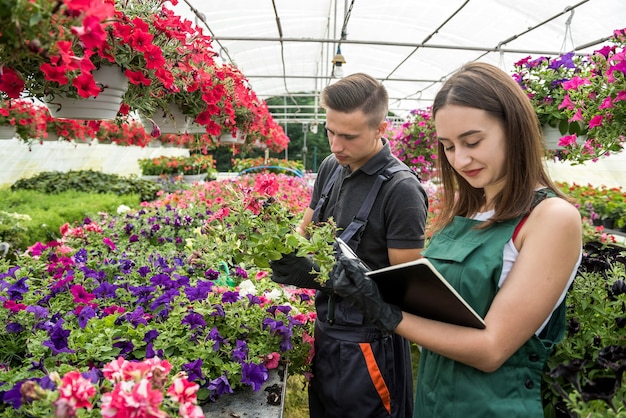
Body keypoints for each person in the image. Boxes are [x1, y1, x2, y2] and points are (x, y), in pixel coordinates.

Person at [330, 62, 583, 417]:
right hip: (434, 401)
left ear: (514, 129)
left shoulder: (551, 218)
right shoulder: (471, 208)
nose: (460, 159)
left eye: (473, 141)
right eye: (448, 146)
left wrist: (385, 313)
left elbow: (492, 349)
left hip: (492, 407)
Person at [270, 73, 429, 417]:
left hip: (370, 344)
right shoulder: (331, 167)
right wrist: (279, 249)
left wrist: (333, 278)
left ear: (380, 128)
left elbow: (405, 291)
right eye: (331, 131)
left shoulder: (400, 190)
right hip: (327, 331)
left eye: (349, 136)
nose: (336, 145)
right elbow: (305, 232)